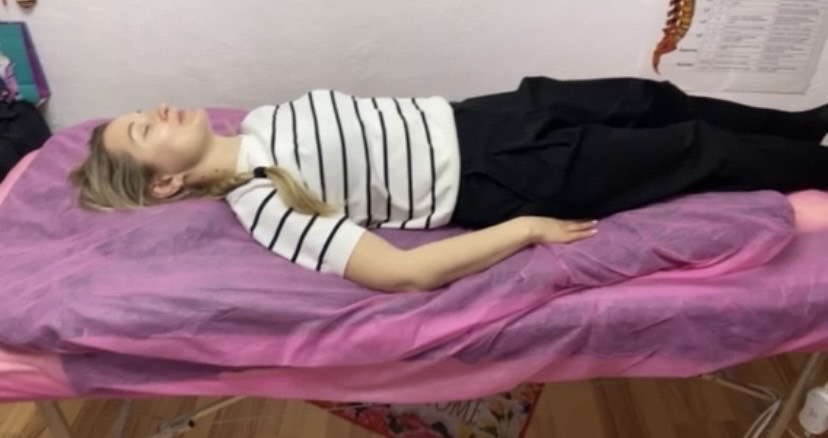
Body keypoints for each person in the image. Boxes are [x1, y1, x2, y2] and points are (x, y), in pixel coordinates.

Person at [69, 76, 828, 292]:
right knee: (691, 148)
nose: (157, 111)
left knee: (650, 99)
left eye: (142, 113)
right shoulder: (262, 203)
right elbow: (402, 272)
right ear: (165, 184)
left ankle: (804, 126)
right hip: (498, 175)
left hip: (482, 116)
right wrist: (522, 228)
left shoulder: (260, 120)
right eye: (144, 131)